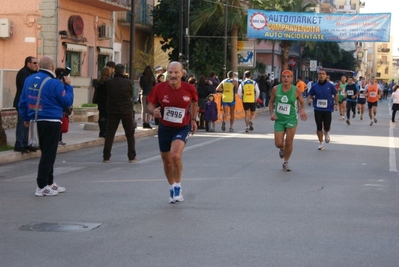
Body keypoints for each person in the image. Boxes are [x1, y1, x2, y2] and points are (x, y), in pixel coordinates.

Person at [18, 56, 74, 196]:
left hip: (36, 120)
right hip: (51, 121)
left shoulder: (29, 79)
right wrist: (68, 85)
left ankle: (50, 182)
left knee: (46, 152)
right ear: (52, 67)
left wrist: (26, 118)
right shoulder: (55, 83)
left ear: (39, 66)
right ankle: (41, 186)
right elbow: (67, 101)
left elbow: (23, 101)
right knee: (49, 154)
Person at [147, 61, 198, 203]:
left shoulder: (189, 88)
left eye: (176, 72)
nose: (173, 75)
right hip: (164, 127)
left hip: (182, 127)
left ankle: (177, 186)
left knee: (175, 155)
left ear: (182, 73)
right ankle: (171, 186)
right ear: (166, 73)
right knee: (167, 161)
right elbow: (149, 105)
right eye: (170, 72)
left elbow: (194, 102)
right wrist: (154, 111)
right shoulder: (159, 88)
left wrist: (193, 119)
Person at [269, 70, 307, 172]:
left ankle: (286, 162)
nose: (286, 78)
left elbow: (302, 102)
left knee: (289, 141)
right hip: (279, 119)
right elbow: (271, 102)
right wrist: (272, 113)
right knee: (278, 143)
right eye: (284, 76)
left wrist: (302, 109)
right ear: (282, 78)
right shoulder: (276, 89)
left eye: (288, 77)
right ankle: (282, 148)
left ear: (291, 78)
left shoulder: (296, 90)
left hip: (291, 119)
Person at [103, 64, 137, 163]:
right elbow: (132, 95)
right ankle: (131, 156)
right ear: (123, 72)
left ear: (114, 71)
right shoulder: (128, 82)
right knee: (130, 134)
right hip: (126, 111)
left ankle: (106, 156)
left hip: (113, 110)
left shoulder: (109, 82)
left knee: (110, 133)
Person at [13, 56, 39, 153]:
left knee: (27, 123)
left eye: (37, 63)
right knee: (22, 123)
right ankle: (18, 144)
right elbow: (29, 86)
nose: (36, 65)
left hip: (30, 102)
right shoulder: (23, 73)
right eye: (34, 63)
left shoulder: (33, 73)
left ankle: (25, 143)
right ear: (28, 64)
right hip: (21, 102)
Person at [307, 69, 338, 151]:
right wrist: (309, 99)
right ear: (318, 75)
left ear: (326, 75)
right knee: (319, 127)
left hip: (328, 109)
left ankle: (327, 132)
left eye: (323, 74)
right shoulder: (314, 86)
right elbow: (310, 95)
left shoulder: (330, 86)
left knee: (327, 126)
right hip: (317, 109)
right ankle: (321, 143)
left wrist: (336, 104)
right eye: (320, 74)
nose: (321, 75)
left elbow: (336, 95)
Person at [95, 67, 111, 137]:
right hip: (107, 101)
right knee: (107, 117)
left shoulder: (99, 81)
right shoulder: (109, 82)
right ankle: (105, 131)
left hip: (100, 101)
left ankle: (101, 131)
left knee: (101, 116)